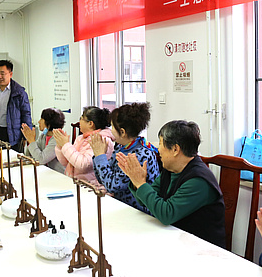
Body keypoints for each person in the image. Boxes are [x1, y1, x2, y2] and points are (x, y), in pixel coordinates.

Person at [117, 120, 226, 248]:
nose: (158, 149)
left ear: (175, 149)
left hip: (201, 248)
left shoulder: (198, 180)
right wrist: (136, 181)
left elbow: (167, 214)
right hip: (175, 238)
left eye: (161, 144)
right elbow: (146, 201)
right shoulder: (171, 169)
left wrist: (141, 184)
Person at [91, 102, 159, 213]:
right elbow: (103, 179)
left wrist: (100, 156)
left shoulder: (139, 154)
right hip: (123, 206)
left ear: (122, 132)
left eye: (112, 127)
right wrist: (98, 155)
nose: (111, 130)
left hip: (139, 211)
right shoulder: (122, 147)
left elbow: (112, 185)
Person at [53, 106, 114, 186]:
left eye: (81, 118)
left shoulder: (101, 140)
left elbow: (83, 165)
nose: (79, 122)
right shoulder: (81, 138)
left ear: (90, 123)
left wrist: (66, 145)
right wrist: (61, 145)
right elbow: (67, 162)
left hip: (92, 188)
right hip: (77, 184)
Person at [22, 107, 66, 173]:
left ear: (49, 123)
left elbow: (41, 160)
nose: (39, 121)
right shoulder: (44, 136)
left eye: (42, 119)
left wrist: (31, 141)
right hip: (45, 171)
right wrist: (29, 140)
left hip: (58, 175)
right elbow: (30, 155)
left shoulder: (57, 139)